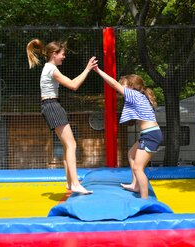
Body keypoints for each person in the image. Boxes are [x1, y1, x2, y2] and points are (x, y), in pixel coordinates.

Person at [27, 39, 97, 194]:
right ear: (54, 54)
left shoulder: (48, 68)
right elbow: (73, 85)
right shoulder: (51, 69)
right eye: (62, 54)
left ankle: (70, 183)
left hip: (50, 106)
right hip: (52, 106)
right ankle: (76, 184)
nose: (64, 57)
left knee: (68, 145)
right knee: (71, 145)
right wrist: (87, 69)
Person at [94, 67, 163, 199]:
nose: (121, 87)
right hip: (148, 134)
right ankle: (135, 184)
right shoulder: (139, 96)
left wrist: (98, 71)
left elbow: (113, 84)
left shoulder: (134, 94)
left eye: (123, 85)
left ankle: (144, 200)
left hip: (151, 135)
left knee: (138, 168)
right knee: (131, 154)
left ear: (130, 86)